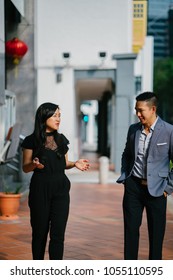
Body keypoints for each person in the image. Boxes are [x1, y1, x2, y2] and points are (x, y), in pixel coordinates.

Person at [21, 102, 90, 260]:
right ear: (44, 117)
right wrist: (34, 165)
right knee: (39, 234)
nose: (58, 118)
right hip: (40, 189)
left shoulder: (62, 140)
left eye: (59, 115)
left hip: (61, 189)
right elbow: (25, 167)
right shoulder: (30, 141)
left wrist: (75, 163)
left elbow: (64, 163)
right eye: (54, 115)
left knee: (58, 235)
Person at [117, 91, 173, 260]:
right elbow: (126, 154)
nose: (138, 114)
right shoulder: (133, 130)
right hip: (133, 187)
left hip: (157, 190)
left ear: (153, 109)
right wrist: (126, 177)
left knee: (156, 238)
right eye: (136, 110)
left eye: (141, 110)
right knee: (130, 233)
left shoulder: (169, 131)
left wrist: (168, 188)